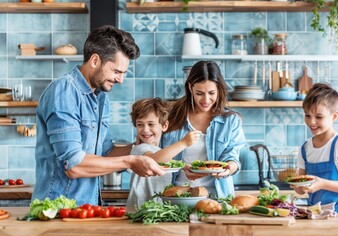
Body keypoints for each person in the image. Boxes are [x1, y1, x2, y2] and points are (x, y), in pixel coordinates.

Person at [32, 25, 165, 206]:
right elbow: (74, 165)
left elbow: (105, 152)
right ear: (95, 60)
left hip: (87, 208)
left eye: (123, 73)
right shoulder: (64, 91)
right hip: (56, 209)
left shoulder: (100, 97)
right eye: (116, 71)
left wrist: (139, 147)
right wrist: (131, 161)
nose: (120, 79)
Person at [161, 60, 246, 198]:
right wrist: (182, 167)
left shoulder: (231, 121)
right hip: (176, 196)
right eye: (199, 93)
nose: (206, 100)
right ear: (190, 88)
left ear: (219, 89)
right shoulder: (172, 116)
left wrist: (228, 169)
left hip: (217, 198)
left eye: (211, 93)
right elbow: (160, 155)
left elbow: (232, 156)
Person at [293, 83, 338, 221]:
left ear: (334, 116)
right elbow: (300, 189)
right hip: (313, 216)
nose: (311, 121)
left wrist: (322, 183)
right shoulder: (305, 148)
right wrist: (298, 187)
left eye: (319, 117)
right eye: (307, 115)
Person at [126, 98, 200, 212]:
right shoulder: (139, 149)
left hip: (158, 211)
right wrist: (183, 143)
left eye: (151, 124)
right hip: (139, 211)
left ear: (164, 126)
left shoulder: (160, 151)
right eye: (140, 124)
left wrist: (183, 167)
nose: (145, 130)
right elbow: (153, 161)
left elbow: (163, 162)